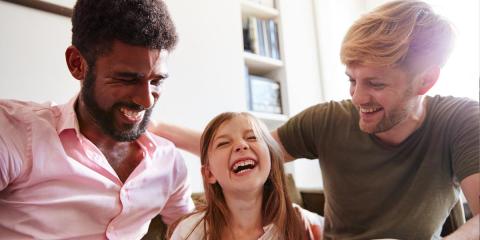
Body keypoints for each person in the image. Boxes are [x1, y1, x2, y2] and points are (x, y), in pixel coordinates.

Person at [152, 1, 479, 239]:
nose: (357, 98)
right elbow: (246, 152)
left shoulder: (461, 122)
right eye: (352, 80)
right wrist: (154, 129)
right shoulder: (327, 120)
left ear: (425, 81)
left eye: (375, 84)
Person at [0, 0, 194, 239]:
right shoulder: (13, 134)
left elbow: (194, 231)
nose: (147, 101)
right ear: (77, 64)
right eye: (127, 79)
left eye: (156, 81)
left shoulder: (169, 163)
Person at [168, 112, 322, 240]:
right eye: (223, 143)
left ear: (271, 159)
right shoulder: (190, 232)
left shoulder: (303, 222)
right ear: (209, 173)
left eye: (252, 137)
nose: (241, 145)